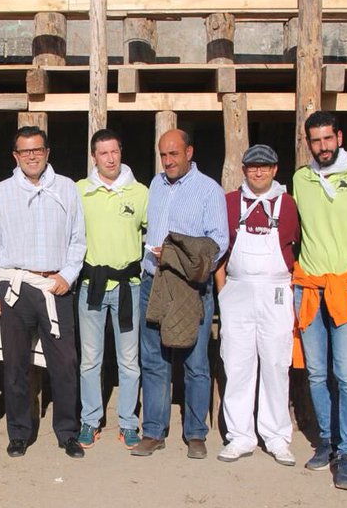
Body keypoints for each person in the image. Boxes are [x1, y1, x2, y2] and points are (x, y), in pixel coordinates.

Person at [0, 126, 87, 459]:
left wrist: (68, 275)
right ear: (16, 156)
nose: (31, 156)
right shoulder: (3, 192)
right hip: (16, 286)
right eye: (25, 151)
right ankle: (19, 432)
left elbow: (78, 239)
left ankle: (67, 432)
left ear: (47, 152)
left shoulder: (66, 188)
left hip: (55, 286)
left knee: (65, 363)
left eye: (37, 150)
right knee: (15, 364)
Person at [131, 129, 228, 459]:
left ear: (189, 152)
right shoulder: (156, 185)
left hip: (189, 287)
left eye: (174, 154)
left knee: (195, 361)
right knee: (153, 359)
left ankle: (196, 434)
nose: (168, 161)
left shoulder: (208, 190)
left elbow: (218, 242)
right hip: (153, 282)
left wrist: (177, 258)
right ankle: (153, 431)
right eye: (163, 155)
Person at [291, 111, 347, 490]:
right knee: (317, 372)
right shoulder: (300, 179)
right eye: (315, 140)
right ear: (308, 142)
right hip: (308, 286)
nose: (322, 147)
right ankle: (328, 440)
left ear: (339, 137)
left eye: (327, 139)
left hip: (345, 286)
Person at [215, 144, 301, 465]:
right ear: (244, 170)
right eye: (253, 167)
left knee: (276, 364)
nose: (259, 172)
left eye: (265, 166)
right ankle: (240, 436)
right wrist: (224, 292)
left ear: (275, 170)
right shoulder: (230, 202)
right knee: (237, 364)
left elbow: (298, 248)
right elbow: (220, 251)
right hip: (237, 290)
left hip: (275, 291)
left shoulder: (288, 205)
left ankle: (276, 436)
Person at [76, 129, 148, 451]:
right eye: (103, 153)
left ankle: (129, 423)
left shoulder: (140, 192)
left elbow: (153, 234)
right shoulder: (80, 191)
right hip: (91, 285)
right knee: (90, 359)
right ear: (94, 157)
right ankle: (90, 420)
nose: (110, 158)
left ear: (121, 152)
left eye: (114, 152)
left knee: (129, 360)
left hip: (128, 287)